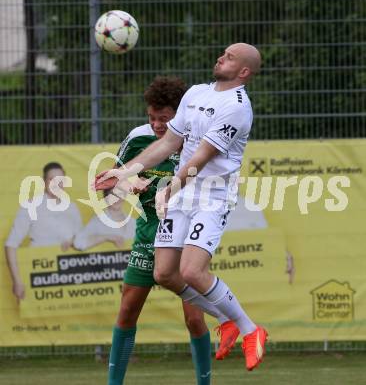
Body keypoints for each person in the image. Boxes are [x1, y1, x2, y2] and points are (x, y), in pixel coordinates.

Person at [95, 43, 268, 371]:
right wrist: (124, 171)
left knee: (191, 271)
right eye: (223, 53)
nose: (220, 57)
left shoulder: (237, 107)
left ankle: (250, 329)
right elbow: (168, 143)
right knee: (165, 274)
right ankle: (227, 320)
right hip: (182, 195)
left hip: (210, 197)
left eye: (230, 57)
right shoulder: (196, 93)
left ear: (244, 72)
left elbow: (201, 159)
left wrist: (167, 189)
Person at [105, 76, 235, 385]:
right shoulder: (138, 138)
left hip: (185, 231)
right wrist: (126, 183)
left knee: (193, 318)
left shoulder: (195, 138)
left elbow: (211, 182)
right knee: (127, 309)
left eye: (164, 118)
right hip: (149, 231)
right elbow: (111, 189)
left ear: (180, 113)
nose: (157, 124)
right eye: (152, 117)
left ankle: (204, 381)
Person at [5, 162, 82, 300]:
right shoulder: (30, 206)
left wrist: (74, 240)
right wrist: (17, 281)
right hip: (39, 277)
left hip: (69, 277)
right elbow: (11, 244)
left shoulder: (73, 208)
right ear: (43, 181)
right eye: (51, 179)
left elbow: (82, 241)